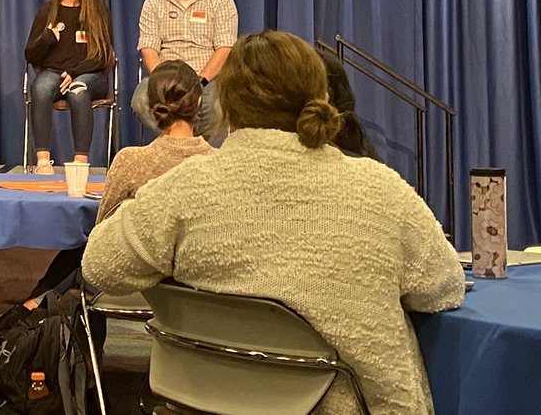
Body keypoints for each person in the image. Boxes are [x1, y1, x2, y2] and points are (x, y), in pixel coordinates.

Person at [84, 30, 465, 414]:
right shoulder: (381, 189)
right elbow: (443, 288)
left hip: (205, 403)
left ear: (225, 105)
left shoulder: (184, 190)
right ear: (322, 97)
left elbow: (100, 266)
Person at [0, 59, 213, 343]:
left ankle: (38, 318)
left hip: (134, 282)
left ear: (152, 105)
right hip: (194, 282)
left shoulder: (132, 161)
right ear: (199, 101)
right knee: (83, 256)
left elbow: (102, 231)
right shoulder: (217, 163)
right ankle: (31, 309)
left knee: (86, 251)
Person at [132, 0, 236, 137]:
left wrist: (199, 82)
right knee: (140, 101)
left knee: (217, 106)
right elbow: (148, 48)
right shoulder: (153, 2)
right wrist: (162, 80)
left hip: (206, 78)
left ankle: (197, 149)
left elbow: (224, 48)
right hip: (166, 77)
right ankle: (175, 142)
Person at [25, 0, 113, 174]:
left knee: (77, 90)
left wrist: (74, 73)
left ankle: (80, 162)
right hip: (53, 72)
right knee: (41, 87)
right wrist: (46, 38)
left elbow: (103, 55)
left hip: (90, 74)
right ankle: (43, 161)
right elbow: (30, 55)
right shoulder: (48, 11)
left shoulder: (97, 11)